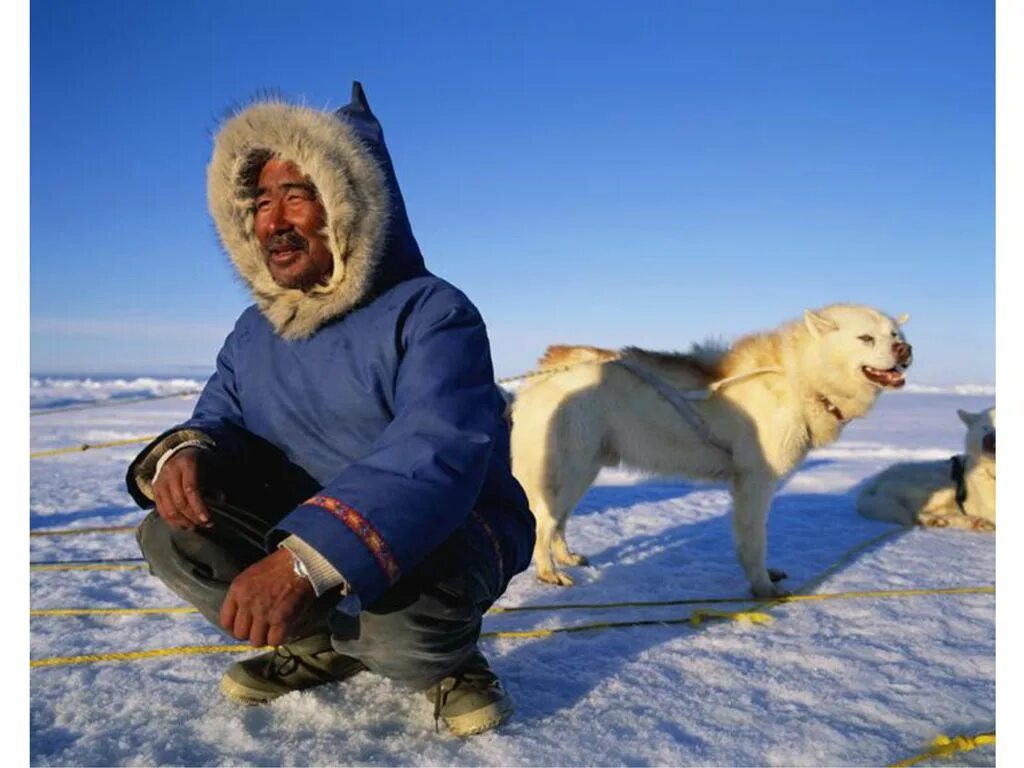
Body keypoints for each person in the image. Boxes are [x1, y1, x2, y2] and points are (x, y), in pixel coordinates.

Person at [125, 82, 535, 737]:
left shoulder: (434, 313)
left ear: (355, 205)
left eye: (297, 194)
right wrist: (188, 454)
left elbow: (435, 454)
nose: (274, 221)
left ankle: (449, 662)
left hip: (452, 530)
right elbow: (220, 416)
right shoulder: (254, 330)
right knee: (172, 535)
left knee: (397, 627)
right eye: (260, 202)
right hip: (310, 521)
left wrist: (304, 564)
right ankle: (317, 645)